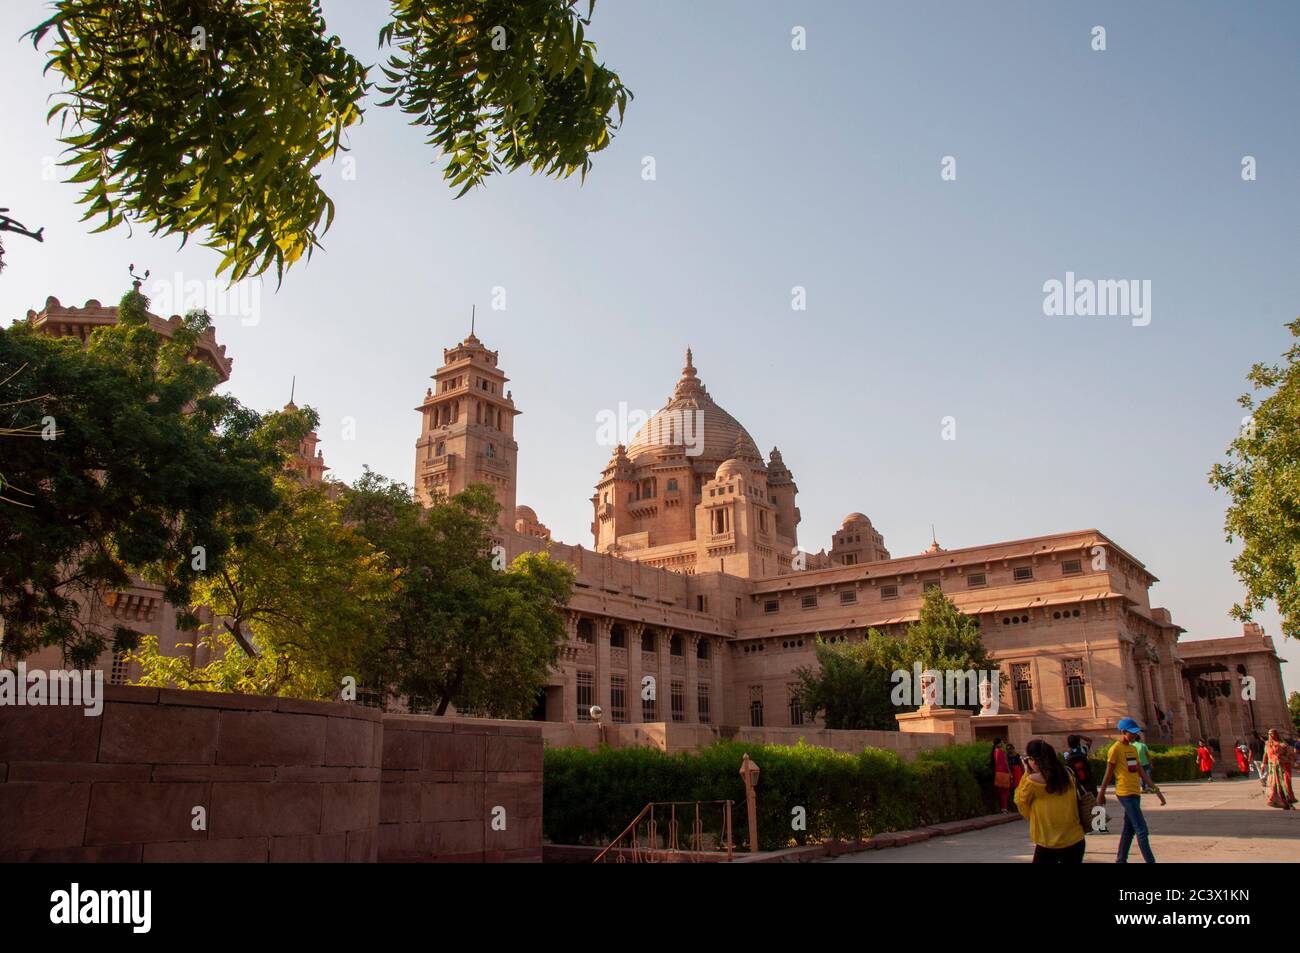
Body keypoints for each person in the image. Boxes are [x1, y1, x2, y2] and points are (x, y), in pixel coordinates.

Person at [1097, 717, 1166, 864]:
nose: (1134, 735)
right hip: (1124, 793)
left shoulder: (1133, 748)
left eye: (1135, 732)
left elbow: (1141, 772)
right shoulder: (1115, 749)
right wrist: (1101, 793)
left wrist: (1156, 790)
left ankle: (1121, 860)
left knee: (1129, 829)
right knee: (1141, 829)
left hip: (1135, 792)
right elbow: (1108, 773)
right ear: (1123, 732)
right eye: (1131, 732)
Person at [1015, 739, 1086, 863]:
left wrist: (1026, 772)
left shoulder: (1032, 781)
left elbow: (1020, 801)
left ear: (1034, 760)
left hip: (1048, 843)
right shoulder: (1068, 773)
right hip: (1075, 839)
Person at [1264, 728, 1297, 810]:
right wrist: (1263, 765)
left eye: (1273, 733)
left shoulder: (1283, 744)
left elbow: (1290, 754)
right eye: (1270, 734)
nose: (1272, 735)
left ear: (1276, 734)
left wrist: (1286, 757)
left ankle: (1289, 802)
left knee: (1286, 784)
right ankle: (1283, 803)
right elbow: (1266, 755)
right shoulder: (1268, 744)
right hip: (1274, 767)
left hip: (1284, 766)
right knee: (1276, 786)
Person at [992, 738, 1012, 814]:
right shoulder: (1000, 751)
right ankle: (1004, 808)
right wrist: (1010, 773)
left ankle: (1002, 808)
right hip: (1003, 773)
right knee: (1005, 792)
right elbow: (1005, 763)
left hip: (998, 772)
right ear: (999, 743)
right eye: (1001, 742)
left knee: (1001, 792)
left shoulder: (995, 751)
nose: (1003, 744)